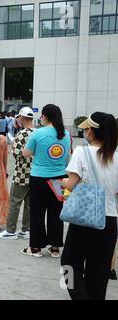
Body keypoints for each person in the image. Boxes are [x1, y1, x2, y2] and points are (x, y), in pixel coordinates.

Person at [61, 112, 118, 300]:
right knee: (99, 270)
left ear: (92, 132)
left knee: (68, 264)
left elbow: (70, 184)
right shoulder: (116, 156)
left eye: (86, 129)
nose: (85, 132)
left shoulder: (82, 152)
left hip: (85, 219)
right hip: (109, 220)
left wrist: (62, 182)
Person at [21, 104, 71, 258]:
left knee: (37, 212)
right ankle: (55, 247)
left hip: (39, 178)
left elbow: (26, 154)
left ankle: (35, 247)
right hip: (60, 178)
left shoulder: (37, 133)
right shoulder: (66, 134)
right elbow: (68, 156)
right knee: (56, 213)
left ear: (45, 116)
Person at [0, 107, 34, 239]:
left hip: (21, 173)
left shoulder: (22, 134)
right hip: (34, 173)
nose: (18, 120)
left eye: (19, 118)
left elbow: (18, 154)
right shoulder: (37, 132)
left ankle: (11, 230)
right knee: (29, 204)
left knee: (14, 202)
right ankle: (26, 230)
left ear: (22, 118)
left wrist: (13, 146)